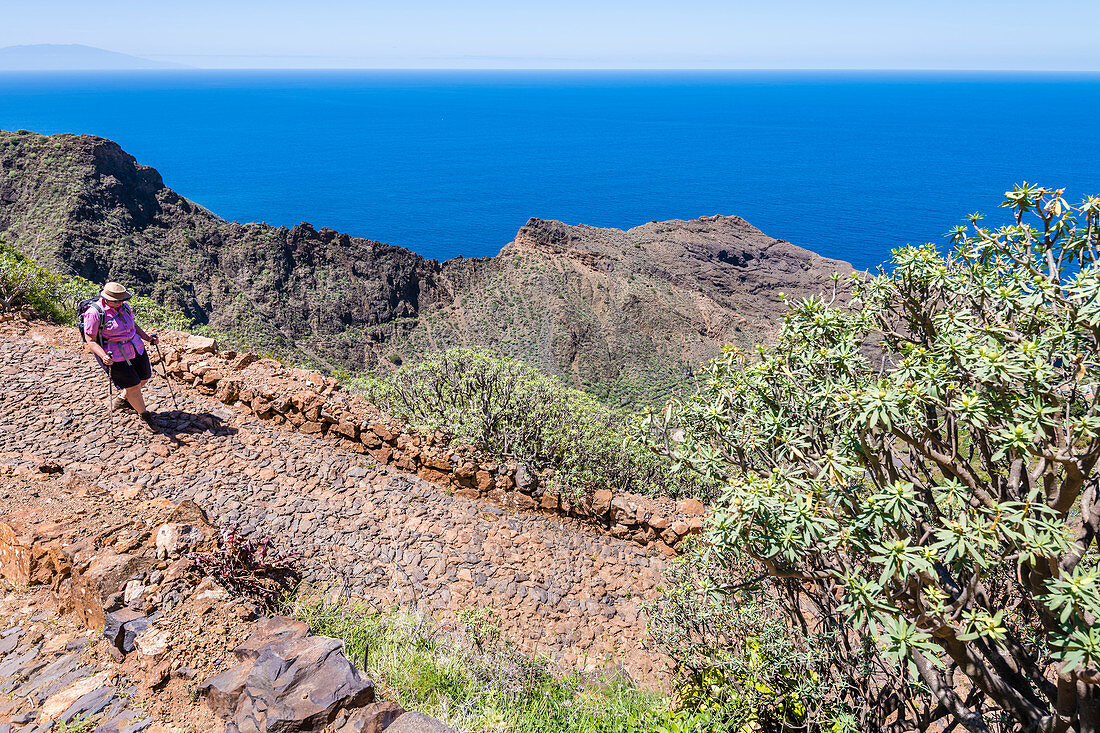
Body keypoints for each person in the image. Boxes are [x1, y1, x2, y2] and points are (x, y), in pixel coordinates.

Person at [83, 282, 160, 430]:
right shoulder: (94, 313)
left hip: (135, 347)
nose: (120, 303)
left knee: (144, 377)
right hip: (114, 355)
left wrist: (147, 338)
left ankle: (123, 399)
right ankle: (144, 415)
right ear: (106, 298)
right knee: (133, 386)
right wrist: (103, 356)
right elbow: (90, 340)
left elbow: (133, 325)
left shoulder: (124, 306)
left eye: (121, 300)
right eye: (116, 300)